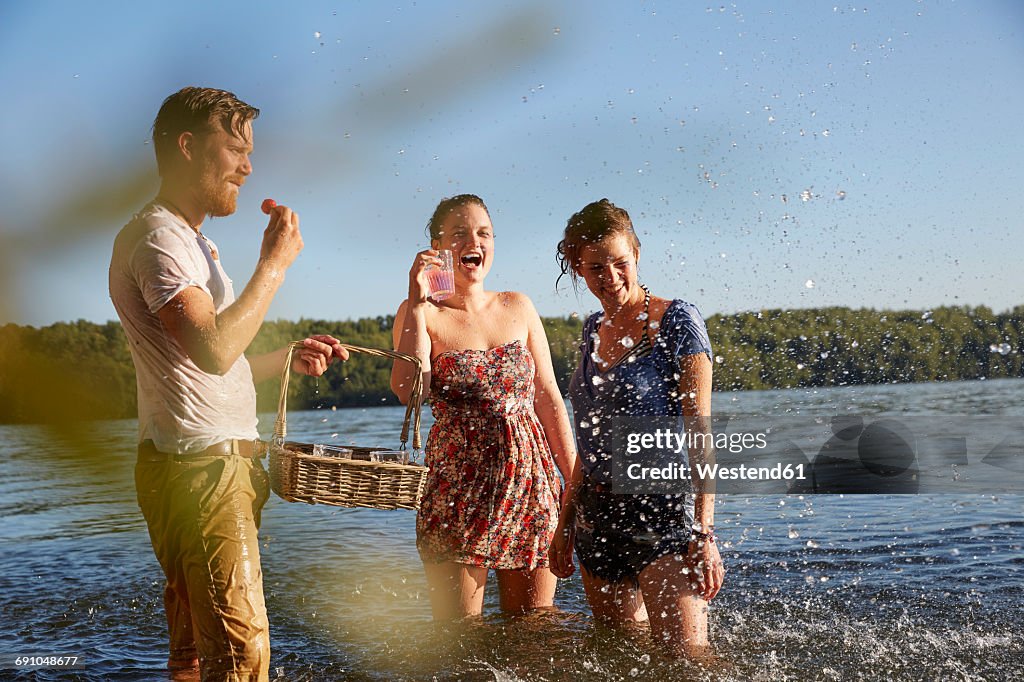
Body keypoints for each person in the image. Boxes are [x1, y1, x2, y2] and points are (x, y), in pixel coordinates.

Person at [109, 86, 348, 681]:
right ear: (188, 147)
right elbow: (212, 350)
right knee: (243, 658)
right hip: (202, 473)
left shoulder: (192, 242)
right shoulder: (160, 238)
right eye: (236, 149)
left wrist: (283, 359)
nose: (248, 165)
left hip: (196, 465)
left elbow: (213, 363)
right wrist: (275, 265)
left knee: (194, 654)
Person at [548, 199, 724, 658]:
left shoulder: (678, 322)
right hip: (597, 519)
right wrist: (565, 523)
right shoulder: (590, 330)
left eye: (619, 262)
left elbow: (700, 439)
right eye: (594, 267)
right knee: (620, 660)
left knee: (688, 665)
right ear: (577, 268)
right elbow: (589, 439)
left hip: (662, 515)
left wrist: (703, 535)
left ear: (637, 255)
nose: (609, 277)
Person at [390, 194, 577, 619]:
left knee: (533, 630)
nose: (473, 241)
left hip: (532, 486)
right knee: (458, 638)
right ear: (435, 247)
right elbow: (408, 391)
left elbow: (548, 398)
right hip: (456, 490)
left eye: (483, 233)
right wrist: (418, 305)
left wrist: (574, 485)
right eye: (458, 234)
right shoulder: (419, 311)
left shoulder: (518, 306)